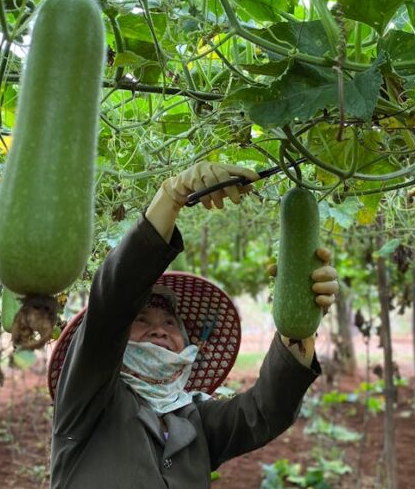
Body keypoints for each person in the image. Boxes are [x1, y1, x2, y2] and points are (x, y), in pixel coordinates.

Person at [48, 162, 339, 488]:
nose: (159, 329)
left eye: (170, 323)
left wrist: (299, 327)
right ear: (118, 342)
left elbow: (263, 412)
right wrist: (171, 197)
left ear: (188, 344)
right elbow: (113, 304)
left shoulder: (193, 416)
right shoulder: (87, 396)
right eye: (141, 320)